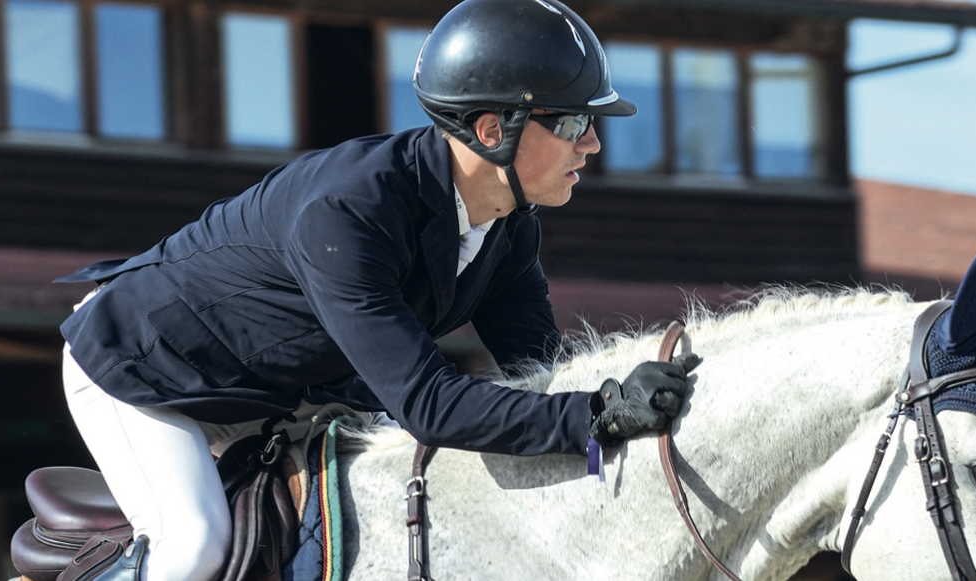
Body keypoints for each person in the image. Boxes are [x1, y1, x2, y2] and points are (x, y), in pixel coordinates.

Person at [54, 0, 695, 579]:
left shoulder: (508, 224)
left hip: (277, 386)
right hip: (141, 368)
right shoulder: (349, 212)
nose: (593, 143)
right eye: (575, 121)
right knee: (195, 546)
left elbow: (542, 373)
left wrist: (628, 407)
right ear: (494, 130)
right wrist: (598, 412)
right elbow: (431, 406)